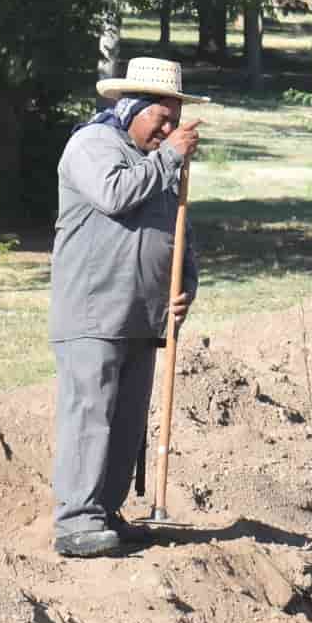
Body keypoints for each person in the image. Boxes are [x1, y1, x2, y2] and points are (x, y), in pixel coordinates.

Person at [48, 57, 201, 559]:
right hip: (93, 311)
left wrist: (184, 287)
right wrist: (169, 159)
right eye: (162, 117)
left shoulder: (163, 163)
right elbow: (114, 195)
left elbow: (177, 233)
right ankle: (77, 520)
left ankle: (106, 511)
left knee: (127, 420)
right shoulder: (92, 146)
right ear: (131, 107)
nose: (169, 128)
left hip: (142, 316)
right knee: (90, 414)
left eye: (175, 119)